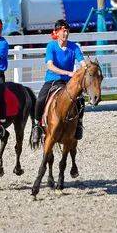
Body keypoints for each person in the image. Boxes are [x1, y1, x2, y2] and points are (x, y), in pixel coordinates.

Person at [30, 19, 85, 148]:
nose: (65, 33)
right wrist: (67, 73)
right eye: (63, 31)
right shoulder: (51, 46)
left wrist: (86, 68)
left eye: (67, 31)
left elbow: (82, 63)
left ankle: (78, 125)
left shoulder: (74, 47)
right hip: (53, 80)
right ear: (56, 32)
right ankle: (37, 126)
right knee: (40, 100)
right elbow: (50, 66)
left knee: (81, 100)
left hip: (68, 83)